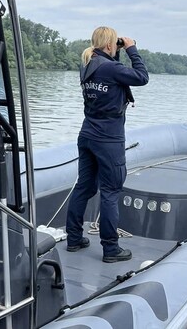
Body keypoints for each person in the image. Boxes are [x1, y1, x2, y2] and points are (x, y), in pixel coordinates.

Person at [65, 26, 148, 263]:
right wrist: (131, 49)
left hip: (88, 134)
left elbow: (112, 73)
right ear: (111, 45)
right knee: (110, 192)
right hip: (109, 139)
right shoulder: (111, 68)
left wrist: (117, 50)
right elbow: (142, 77)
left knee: (84, 187)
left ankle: (73, 239)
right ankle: (111, 249)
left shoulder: (88, 64)